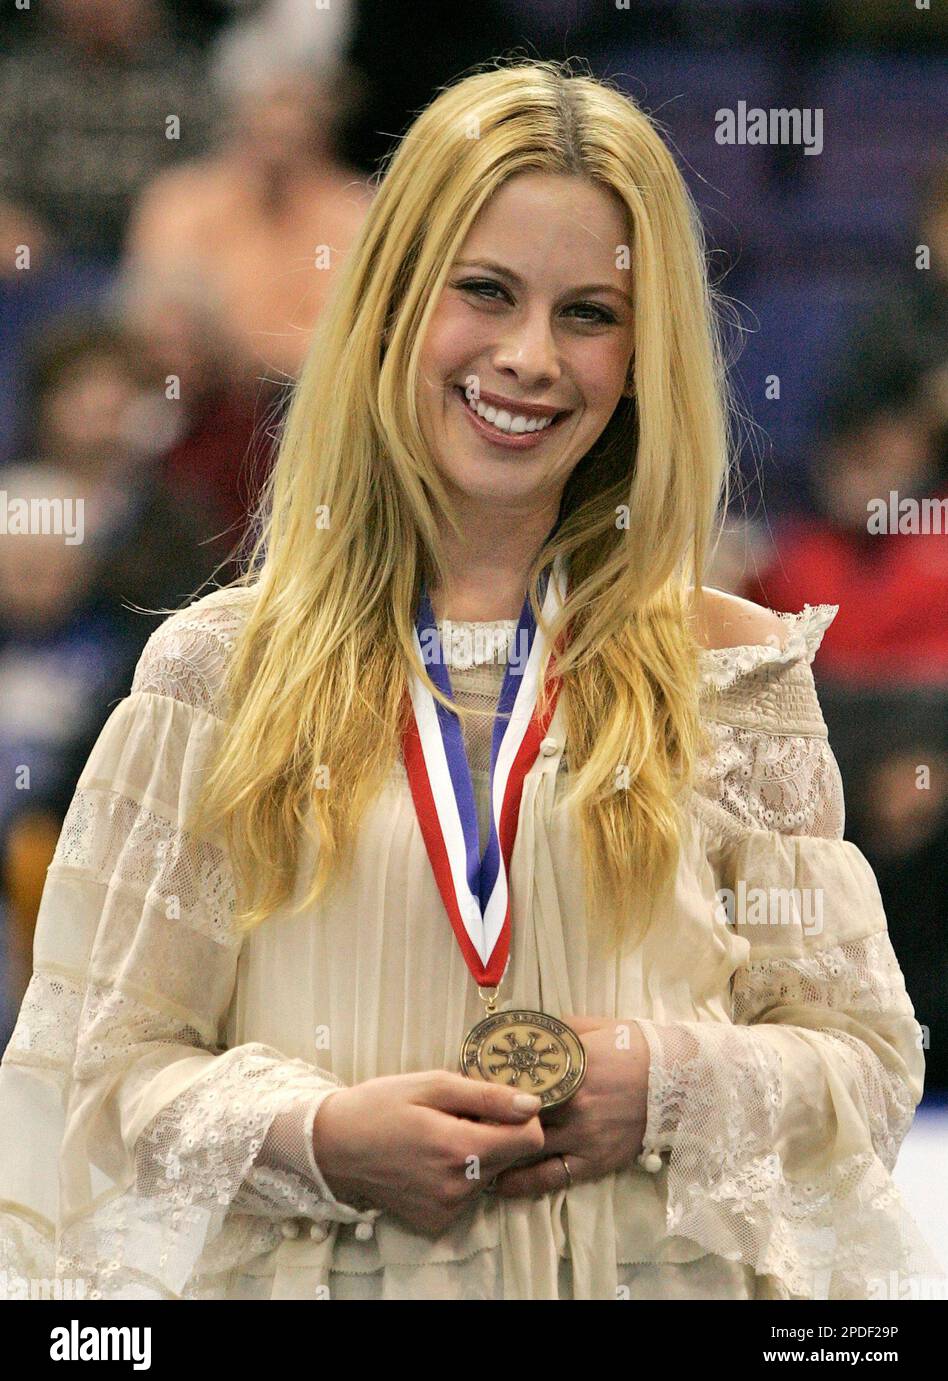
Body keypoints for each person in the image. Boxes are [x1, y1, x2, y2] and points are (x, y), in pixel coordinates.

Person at [0, 57, 941, 1301]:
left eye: (591, 314)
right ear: (390, 304)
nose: (530, 357)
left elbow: (866, 1063)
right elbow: (96, 1078)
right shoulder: (216, 675)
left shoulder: (730, 669)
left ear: (644, 352)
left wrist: (663, 1081)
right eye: (485, 292)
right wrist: (321, 1140)